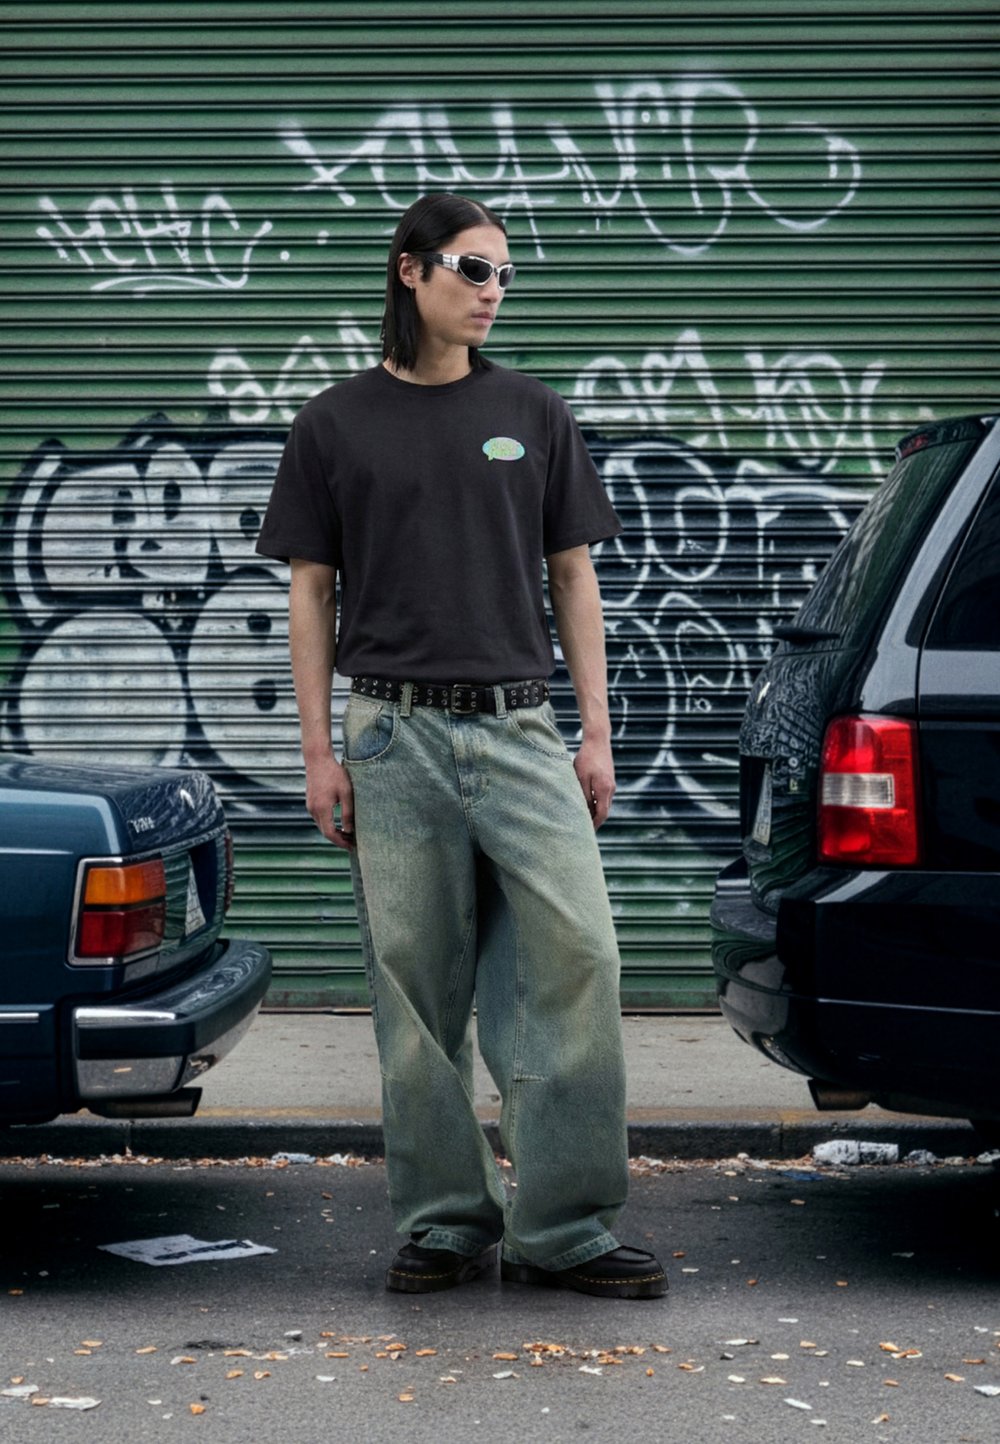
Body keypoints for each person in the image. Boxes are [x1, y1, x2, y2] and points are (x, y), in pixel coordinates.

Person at [255, 192, 666, 1301]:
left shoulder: (532, 411)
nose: (493, 292)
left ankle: (564, 1226)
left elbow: (573, 575)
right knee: (415, 986)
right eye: (474, 269)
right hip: (392, 734)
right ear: (411, 270)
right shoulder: (333, 422)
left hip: (521, 728)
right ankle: (445, 1219)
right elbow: (310, 594)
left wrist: (596, 729)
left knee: (581, 958)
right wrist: (318, 753)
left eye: (504, 276)